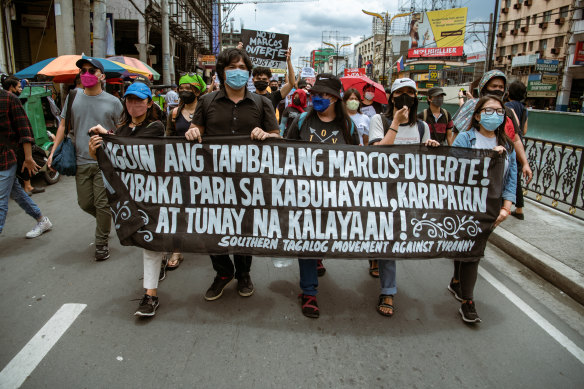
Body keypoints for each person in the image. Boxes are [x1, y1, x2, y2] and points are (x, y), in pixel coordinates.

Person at [185, 47, 280, 301]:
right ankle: (223, 272)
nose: (237, 72)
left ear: (248, 73)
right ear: (221, 72)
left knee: (244, 227)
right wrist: (192, 132)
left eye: (241, 68)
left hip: (249, 181)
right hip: (213, 181)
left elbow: (277, 138)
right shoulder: (207, 102)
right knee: (211, 228)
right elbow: (196, 129)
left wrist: (266, 135)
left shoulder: (262, 103)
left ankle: (244, 273)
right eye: (231, 68)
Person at [285, 73, 360, 318]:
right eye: (315, 94)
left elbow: (358, 161)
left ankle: (318, 256)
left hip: (335, 197)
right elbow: (285, 154)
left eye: (324, 94)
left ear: (336, 98)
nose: (318, 97)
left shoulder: (347, 126)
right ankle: (308, 292)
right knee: (306, 240)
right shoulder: (302, 121)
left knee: (324, 235)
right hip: (304, 197)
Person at [88, 82, 166, 317]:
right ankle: (163, 253)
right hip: (130, 194)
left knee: (149, 241)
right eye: (130, 100)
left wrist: (109, 137)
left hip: (154, 191)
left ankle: (150, 296)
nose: (134, 105)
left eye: (139, 100)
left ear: (149, 103)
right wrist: (96, 150)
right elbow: (112, 156)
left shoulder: (156, 126)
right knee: (149, 240)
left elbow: (133, 147)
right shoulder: (121, 129)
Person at [368, 78, 439, 317]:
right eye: (400, 92)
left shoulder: (421, 127)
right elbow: (378, 151)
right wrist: (396, 123)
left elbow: (424, 162)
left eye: (410, 92)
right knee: (383, 234)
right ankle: (383, 277)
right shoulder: (379, 120)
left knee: (392, 238)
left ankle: (383, 275)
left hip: (406, 193)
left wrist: (430, 146)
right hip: (380, 190)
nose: (405, 96)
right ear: (392, 97)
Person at [449, 95, 517, 323]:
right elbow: (455, 170)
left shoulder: (507, 144)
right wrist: (489, 158)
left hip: (492, 207)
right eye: (489, 111)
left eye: (499, 111)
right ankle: (468, 301)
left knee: (470, 249)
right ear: (477, 115)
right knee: (472, 253)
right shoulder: (465, 139)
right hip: (465, 204)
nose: (494, 115)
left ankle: (457, 281)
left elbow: (511, 178)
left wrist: (506, 208)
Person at [48, 58, 123, 261]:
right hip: (80, 160)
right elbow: (63, 126)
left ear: (102, 76)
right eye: (83, 70)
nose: (86, 73)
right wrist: (53, 151)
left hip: (104, 161)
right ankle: (108, 219)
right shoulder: (73, 97)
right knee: (85, 203)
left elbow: (120, 132)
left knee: (101, 204)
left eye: (92, 70)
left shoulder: (114, 102)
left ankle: (101, 244)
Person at [452, 70, 532, 187]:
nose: (498, 89)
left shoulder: (508, 112)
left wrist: (525, 163)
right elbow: (456, 135)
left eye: (501, 87)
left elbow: (515, 140)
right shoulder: (470, 107)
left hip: (498, 173)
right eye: (494, 86)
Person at [165, 73, 206, 270]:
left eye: (190, 87)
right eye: (182, 87)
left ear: (198, 90)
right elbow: (167, 140)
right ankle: (177, 249)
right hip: (180, 168)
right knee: (178, 208)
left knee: (204, 206)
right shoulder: (173, 114)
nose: (185, 91)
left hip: (205, 169)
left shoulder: (208, 111)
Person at [0, 88, 52, 238]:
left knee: (1, 200)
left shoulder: (9, 99)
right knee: (16, 193)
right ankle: (42, 220)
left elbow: (25, 131)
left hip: (7, 157)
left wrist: (28, 158)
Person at [505, 80, 528, 220]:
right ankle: (519, 208)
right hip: (518, 146)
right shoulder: (524, 109)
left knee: (508, 176)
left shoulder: (506, 107)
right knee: (515, 176)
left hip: (509, 144)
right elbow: (523, 130)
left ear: (508, 93)